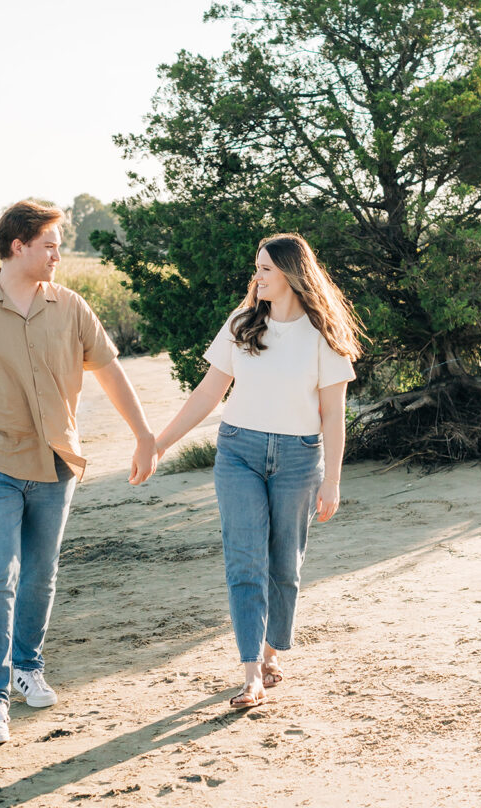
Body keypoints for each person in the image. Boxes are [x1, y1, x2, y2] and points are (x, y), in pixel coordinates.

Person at [0, 200, 158, 744]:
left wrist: (143, 434)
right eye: (49, 244)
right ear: (18, 246)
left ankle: (27, 666)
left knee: (40, 574)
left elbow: (110, 371)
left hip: (56, 460)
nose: (58, 254)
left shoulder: (70, 307)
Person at [155, 233, 363, 708]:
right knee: (245, 562)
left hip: (298, 459)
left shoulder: (323, 334)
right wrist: (160, 444)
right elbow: (208, 394)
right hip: (238, 452)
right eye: (257, 268)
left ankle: (272, 654)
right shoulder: (242, 323)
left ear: (291, 272)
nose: (257, 277)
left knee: (284, 566)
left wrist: (332, 479)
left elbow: (334, 414)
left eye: (266, 268)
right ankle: (250, 672)